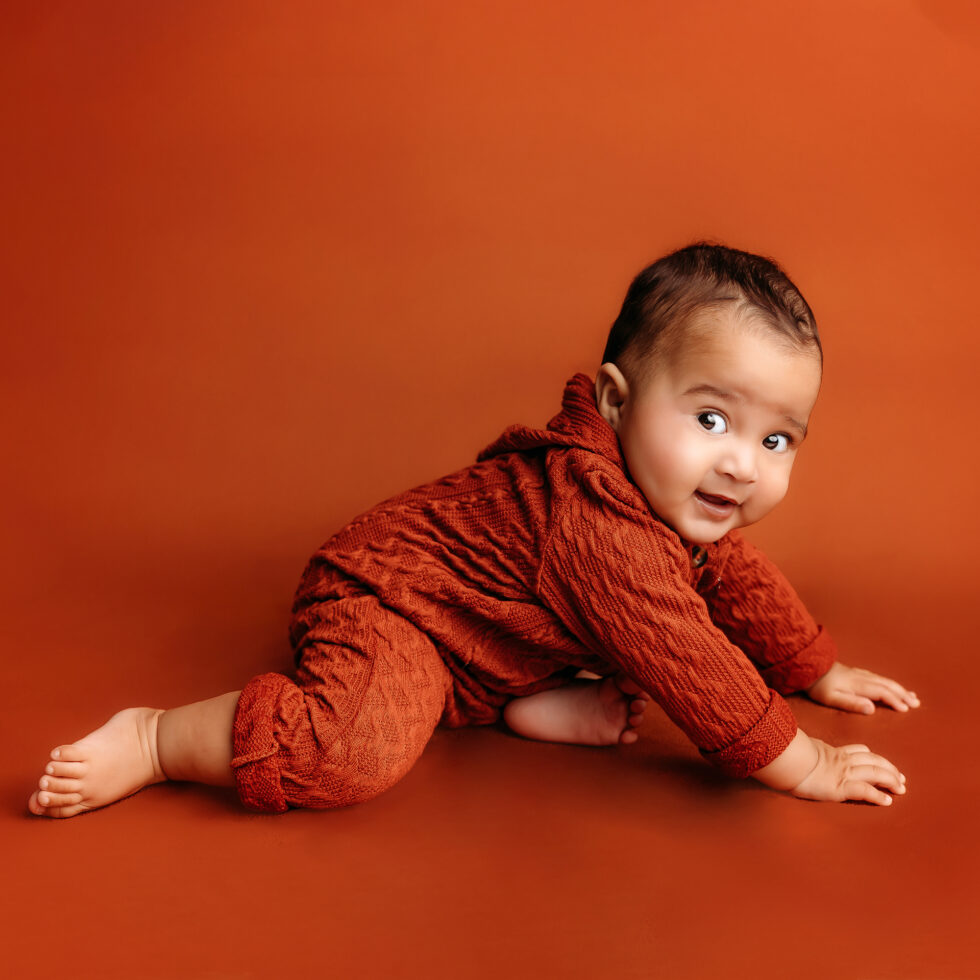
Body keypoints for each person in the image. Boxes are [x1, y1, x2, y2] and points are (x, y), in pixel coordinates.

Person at [28, 243, 920, 819]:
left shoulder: (674, 506)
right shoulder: (599, 525)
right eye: (712, 419)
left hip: (490, 626)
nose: (742, 464)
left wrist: (813, 666)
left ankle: (502, 698)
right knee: (349, 753)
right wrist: (804, 761)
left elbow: (733, 574)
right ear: (615, 402)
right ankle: (157, 739)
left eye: (776, 440)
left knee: (646, 609)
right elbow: (694, 662)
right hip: (395, 603)